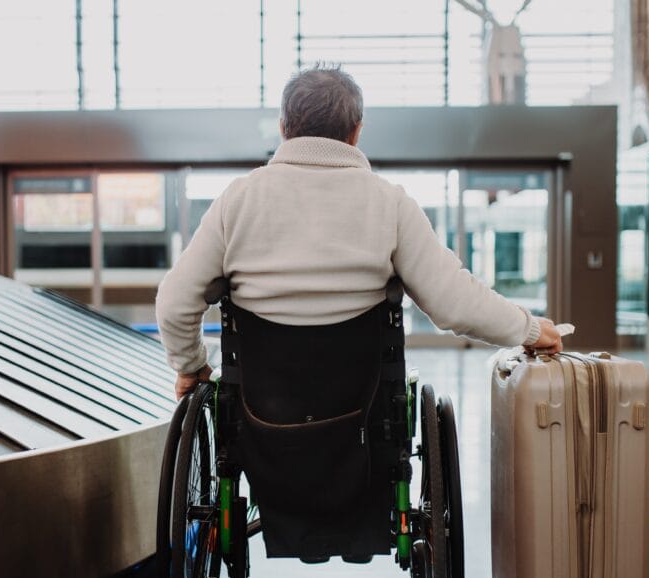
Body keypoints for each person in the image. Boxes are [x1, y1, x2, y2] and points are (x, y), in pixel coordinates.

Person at [156, 65, 562, 399]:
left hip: (259, 421)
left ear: (283, 128)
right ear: (356, 131)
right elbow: (453, 302)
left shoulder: (237, 200)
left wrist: (192, 365)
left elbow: (175, 302)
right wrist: (527, 327)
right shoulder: (391, 203)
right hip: (363, 423)